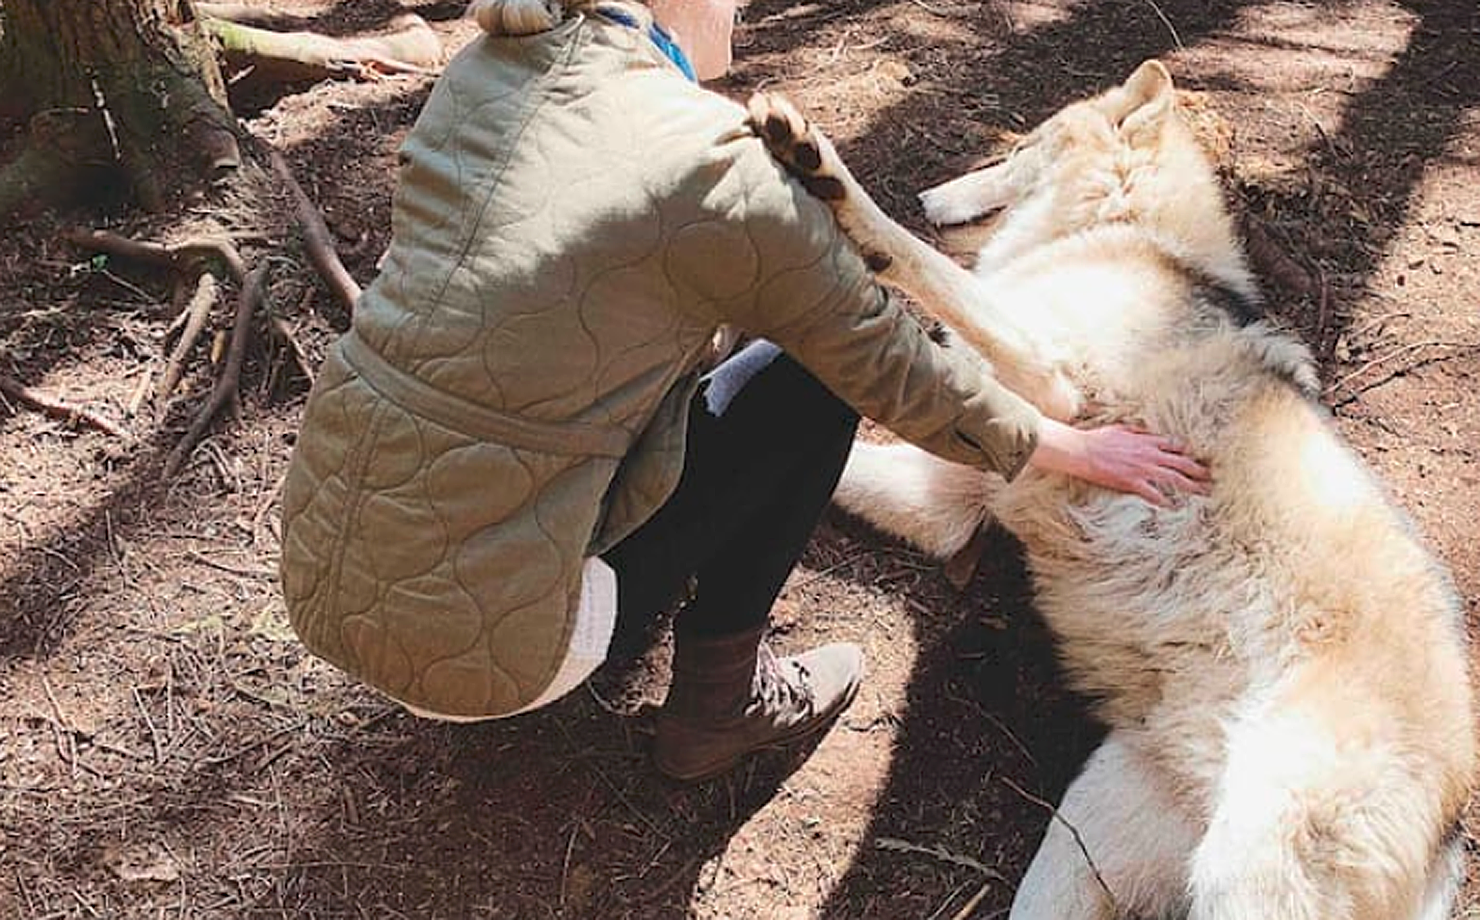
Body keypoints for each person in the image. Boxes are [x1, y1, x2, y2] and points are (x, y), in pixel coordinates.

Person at [278, 0, 1208, 782]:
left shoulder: (487, 68)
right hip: (496, 654)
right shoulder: (714, 163)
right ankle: (719, 704)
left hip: (325, 573)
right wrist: (1072, 447)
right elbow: (886, 360)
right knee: (812, 380)